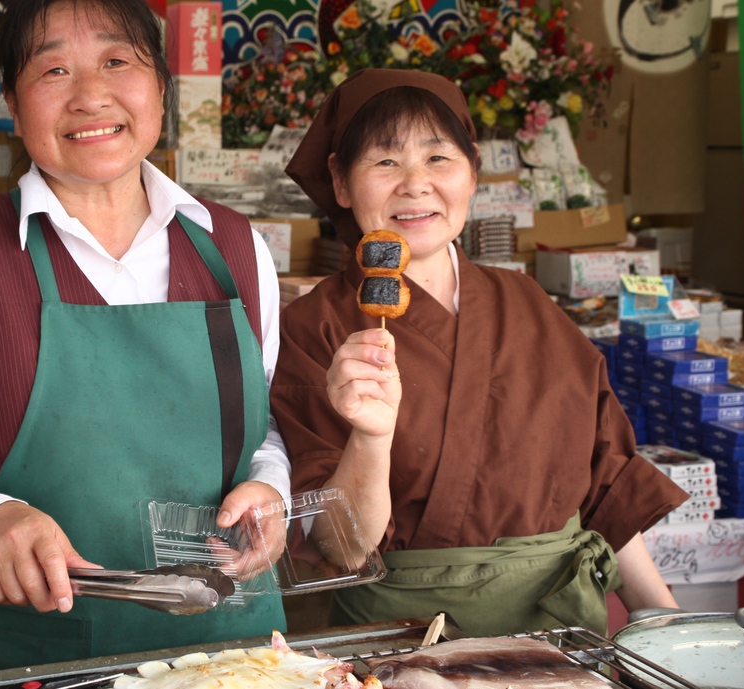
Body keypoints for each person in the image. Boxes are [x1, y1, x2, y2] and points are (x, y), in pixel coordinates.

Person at [0, 0, 288, 679]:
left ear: (160, 88)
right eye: (53, 69)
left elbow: (254, 431)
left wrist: (270, 489)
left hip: (224, 649)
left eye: (117, 61)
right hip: (23, 655)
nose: (90, 95)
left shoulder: (238, 249)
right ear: (13, 103)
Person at [273, 69, 688, 637]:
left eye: (439, 158)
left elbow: (604, 480)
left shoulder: (526, 300)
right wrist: (372, 437)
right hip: (403, 643)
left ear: (473, 174)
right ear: (341, 183)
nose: (416, 185)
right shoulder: (311, 328)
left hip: (562, 637)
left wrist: (659, 617)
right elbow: (341, 547)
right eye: (385, 161)